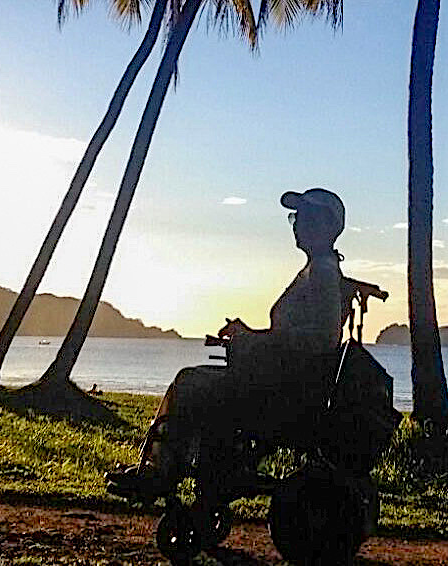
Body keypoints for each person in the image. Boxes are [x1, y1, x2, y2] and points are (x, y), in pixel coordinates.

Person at [107, 188, 349, 501]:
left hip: (282, 390)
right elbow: (296, 333)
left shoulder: (323, 273)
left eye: (304, 216)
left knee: (189, 382)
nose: (297, 223)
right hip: (280, 380)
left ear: (327, 226)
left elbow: (324, 337)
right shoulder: (315, 270)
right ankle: (169, 468)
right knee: (195, 380)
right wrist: (249, 335)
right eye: (295, 217)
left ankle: (159, 471)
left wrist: (253, 340)